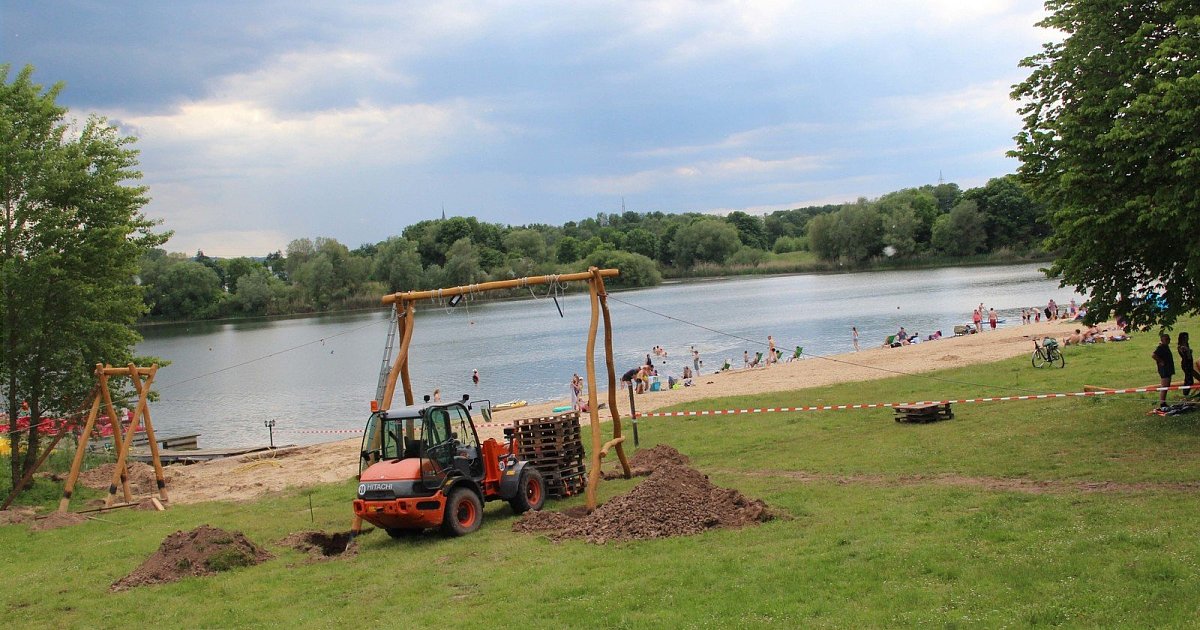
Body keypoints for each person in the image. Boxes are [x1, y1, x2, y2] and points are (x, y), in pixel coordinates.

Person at [1152, 333, 1175, 410]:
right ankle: (1162, 403)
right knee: (1164, 386)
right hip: (1164, 370)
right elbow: (1154, 355)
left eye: (1169, 339)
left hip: (1168, 369)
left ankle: (1163, 402)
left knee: (1166, 386)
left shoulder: (1165, 347)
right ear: (1162, 340)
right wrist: (1161, 361)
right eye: (1166, 339)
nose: (1168, 340)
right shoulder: (1161, 347)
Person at [1179, 333, 1196, 398]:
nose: (1187, 339)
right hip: (1186, 364)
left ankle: (1186, 393)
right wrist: (1188, 351)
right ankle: (1185, 394)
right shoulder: (1181, 346)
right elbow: (1185, 355)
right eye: (1186, 337)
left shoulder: (1186, 345)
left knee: (1188, 379)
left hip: (1189, 363)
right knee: (1189, 380)